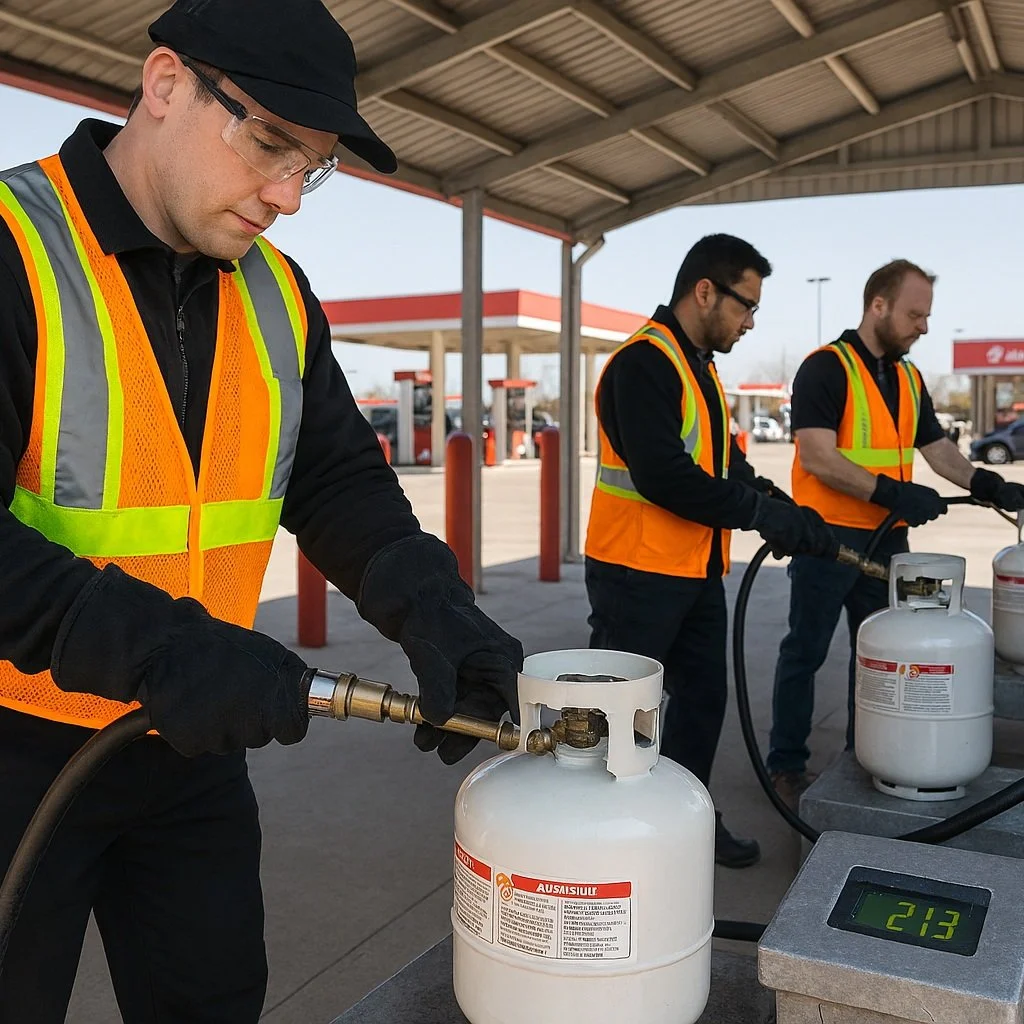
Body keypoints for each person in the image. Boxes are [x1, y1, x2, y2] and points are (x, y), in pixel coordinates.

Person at [0, 1, 523, 1019]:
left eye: (312, 166)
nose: (287, 194)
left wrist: (434, 609)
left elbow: (335, 481)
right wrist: (161, 648)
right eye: (271, 143)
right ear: (163, 85)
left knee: (214, 998)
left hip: (190, 750)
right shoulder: (15, 252)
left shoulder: (278, 296)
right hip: (16, 749)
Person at [583, 234, 839, 869]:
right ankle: (603, 840)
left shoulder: (696, 365)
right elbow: (665, 475)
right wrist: (758, 514)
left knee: (701, 701)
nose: (750, 321)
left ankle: (686, 824)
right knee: (617, 714)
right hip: (634, 573)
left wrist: (783, 507)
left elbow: (725, 464)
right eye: (745, 305)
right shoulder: (645, 363)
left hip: (692, 571)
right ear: (705, 291)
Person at [767, 259, 1024, 808]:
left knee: (884, 655)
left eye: (927, 315)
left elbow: (935, 448)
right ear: (877, 306)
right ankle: (786, 765)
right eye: (915, 314)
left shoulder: (908, 377)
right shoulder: (825, 369)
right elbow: (817, 455)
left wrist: (984, 481)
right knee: (805, 652)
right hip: (826, 538)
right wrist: (891, 492)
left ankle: (870, 752)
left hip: (888, 543)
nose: (924, 327)